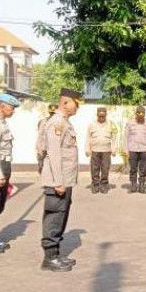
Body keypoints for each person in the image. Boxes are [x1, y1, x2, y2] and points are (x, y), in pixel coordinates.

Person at [40, 88, 84, 272]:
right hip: (58, 181)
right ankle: (49, 258)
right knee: (54, 216)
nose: (78, 108)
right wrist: (58, 181)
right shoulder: (57, 123)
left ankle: (56, 254)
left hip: (64, 180)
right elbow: (54, 154)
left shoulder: (65, 123)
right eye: (76, 103)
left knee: (61, 215)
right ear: (65, 102)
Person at [0, 92, 20, 253]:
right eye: (11, 107)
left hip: (5, 164)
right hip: (0, 166)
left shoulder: (3, 123)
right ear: (2, 107)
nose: (13, 111)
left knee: (0, 205)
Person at [86, 106, 117, 194]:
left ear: (106, 115)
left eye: (103, 116)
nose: (101, 118)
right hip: (95, 150)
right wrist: (87, 149)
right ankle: (95, 184)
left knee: (105, 168)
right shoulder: (92, 124)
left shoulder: (111, 124)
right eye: (99, 116)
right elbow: (88, 137)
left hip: (106, 150)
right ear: (97, 115)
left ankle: (104, 185)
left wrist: (113, 148)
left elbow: (114, 138)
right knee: (94, 168)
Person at [124, 106, 146, 194]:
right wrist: (126, 150)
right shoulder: (130, 123)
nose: (140, 116)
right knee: (133, 168)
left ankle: (141, 186)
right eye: (139, 114)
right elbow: (125, 136)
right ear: (136, 114)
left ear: (144, 115)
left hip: (145, 149)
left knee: (143, 169)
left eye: (142, 115)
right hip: (132, 149)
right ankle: (133, 186)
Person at [36, 103, 57, 174]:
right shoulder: (43, 121)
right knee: (42, 165)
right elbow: (40, 135)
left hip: (54, 147)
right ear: (49, 112)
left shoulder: (59, 122)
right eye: (51, 112)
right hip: (44, 147)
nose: (52, 114)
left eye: (54, 113)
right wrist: (39, 148)